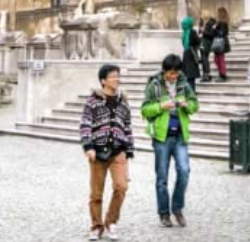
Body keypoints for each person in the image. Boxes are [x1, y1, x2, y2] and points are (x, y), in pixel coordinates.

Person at [141, 54, 199, 228]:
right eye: (170, 73)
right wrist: (160, 106)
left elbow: (195, 105)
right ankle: (164, 214)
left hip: (180, 136)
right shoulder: (155, 85)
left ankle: (177, 208)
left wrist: (186, 105)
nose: (173, 76)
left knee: (184, 171)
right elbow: (145, 110)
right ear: (164, 70)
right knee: (162, 177)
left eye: (175, 73)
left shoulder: (184, 84)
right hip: (162, 137)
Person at [80, 63, 133, 241]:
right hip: (97, 151)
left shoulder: (123, 102)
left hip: (118, 150)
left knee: (122, 186)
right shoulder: (92, 101)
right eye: (113, 76)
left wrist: (129, 151)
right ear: (103, 81)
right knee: (96, 193)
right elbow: (85, 125)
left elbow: (127, 127)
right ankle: (96, 226)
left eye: (118, 75)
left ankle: (111, 222)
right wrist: (88, 147)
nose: (117, 79)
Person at [179, 15, 201, 86]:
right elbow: (198, 41)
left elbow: (183, 43)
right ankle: (192, 90)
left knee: (187, 73)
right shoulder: (192, 32)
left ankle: (189, 90)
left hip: (186, 53)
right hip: (192, 53)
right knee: (192, 74)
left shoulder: (184, 33)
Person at [210, 7, 230, 82]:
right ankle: (221, 74)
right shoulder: (220, 23)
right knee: (217, 59)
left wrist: (215, 28)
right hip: (220, 43)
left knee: (220, 60)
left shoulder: (223, 23)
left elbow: (222, 33)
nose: (216, 14)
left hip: (220, 43)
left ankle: (223, 75)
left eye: (217, 12)